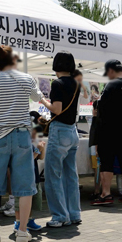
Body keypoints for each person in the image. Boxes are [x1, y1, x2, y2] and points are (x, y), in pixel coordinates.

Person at [0, 45, 43, 242]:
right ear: (14, 59)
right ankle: (22, 232)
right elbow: (38, 98)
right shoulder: (26, 78)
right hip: (22, 136)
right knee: (25, 187)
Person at [39, 52, 81, 227]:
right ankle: (74, 213)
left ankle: (59, 216)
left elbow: (56, 109)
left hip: (59, 131)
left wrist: (42, 100)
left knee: (53, 175)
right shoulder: (76, 83)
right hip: (72, 131)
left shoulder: (57, 83)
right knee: (71, 175)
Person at [92, 59, 122, 206]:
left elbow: (101, 107)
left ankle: (106, 194)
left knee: (107, 162)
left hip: (109, 130)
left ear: (111, 70)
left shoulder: (111, 85)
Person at [13, 128, 45, 233]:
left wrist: (42, 148)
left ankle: (29, 220)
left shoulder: (30, 143)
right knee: (20, 201)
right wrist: (38, 150)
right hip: (22, 178)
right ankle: (18, 222)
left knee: (30, 201)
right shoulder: (19, 145)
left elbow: (41, 157)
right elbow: (27, 160)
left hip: (33, 177)